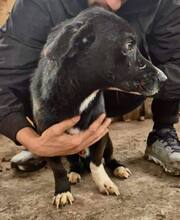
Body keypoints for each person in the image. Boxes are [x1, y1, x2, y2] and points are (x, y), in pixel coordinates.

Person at [0, 0, 179, 175]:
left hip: (124, 95)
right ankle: (48, 138)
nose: (114, 3)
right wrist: (32, 140)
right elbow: (4, 76)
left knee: (168, 62)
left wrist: (137, 82)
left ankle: (163, 131)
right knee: (30, 71)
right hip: (58, 99)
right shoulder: (37, 4)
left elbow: (176, 63)